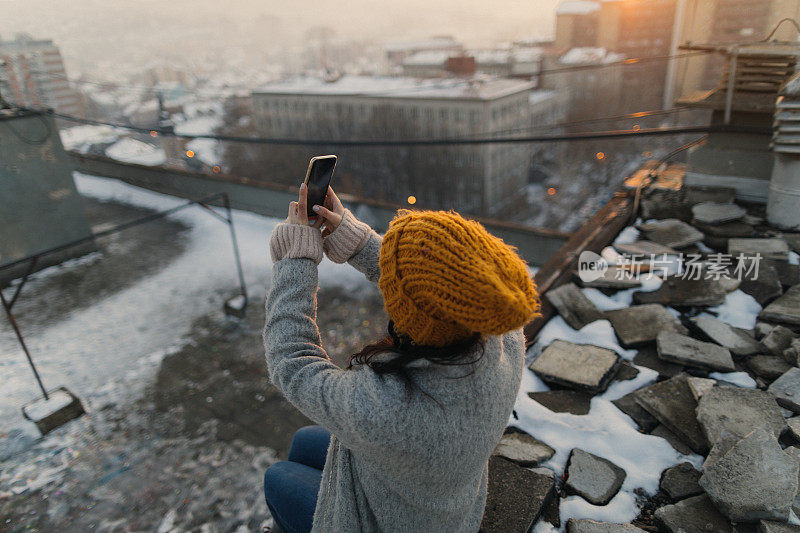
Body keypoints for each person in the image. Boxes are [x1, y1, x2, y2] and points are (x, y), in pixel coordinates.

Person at [262, 183, 540, 533]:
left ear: (410, 311)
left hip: (387, 523)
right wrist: (356, 242)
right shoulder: (500, 335)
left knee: (278, 477)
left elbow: (293, 363)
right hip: (445, 500)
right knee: (304, 441)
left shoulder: (389, 408)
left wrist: (295, 261)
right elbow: (437, 285)